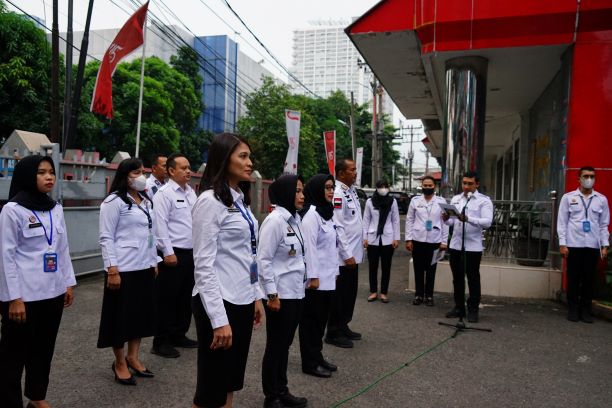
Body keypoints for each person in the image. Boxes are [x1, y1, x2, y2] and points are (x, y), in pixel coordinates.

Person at [191, 133, 265, 408]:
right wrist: (218, 319)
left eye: (249, 156)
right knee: (211, 386)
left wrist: (255, 295)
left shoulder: (240, 200)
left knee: (231, 380)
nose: (250, 163)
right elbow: (204, 265)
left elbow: (248, 255)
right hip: (218, 301)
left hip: (242, 298)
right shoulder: (210, 201)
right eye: (243, 156)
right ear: (224, 159)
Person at [0, 155, 76, 408]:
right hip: (23, 296)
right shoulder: (13, 210)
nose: (49, 177)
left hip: (52, 292)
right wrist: (14, 298)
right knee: (14, 355)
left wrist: (67, 282)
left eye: (51, 172)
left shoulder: (55, 208)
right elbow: (6, 256)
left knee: (43, 350)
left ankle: (36, 397)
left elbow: (62, 248)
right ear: (27, 175)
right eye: (42, 172)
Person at [98, 158, 158, 386]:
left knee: (140, 315)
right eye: (137, 172)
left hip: (144, 267)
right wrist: (112, 269)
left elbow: (152, 234)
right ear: (125, 175)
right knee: (120, 318)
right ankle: (120, 361)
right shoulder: (114, 202)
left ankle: (133, 356)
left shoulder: (145, 200)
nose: (142, 176)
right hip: (122, 269)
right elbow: (106, 237)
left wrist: (154, 261)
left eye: (143, 171)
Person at [259, 174, 308, 408]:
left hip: (296, 292)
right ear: (286, 192)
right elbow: (263, 260)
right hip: (280, 296)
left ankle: (282, 389)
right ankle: (271, 396)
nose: (302, 195)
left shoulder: (294, 219)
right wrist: (271, 294)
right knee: (275, 345)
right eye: (298, 191)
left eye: (302, 191)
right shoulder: (275, 220)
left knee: (285, 345)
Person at [151, 153, 198, 358]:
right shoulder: (164, 194)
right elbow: (160, 225)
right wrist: (168, 252)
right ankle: (161, 341)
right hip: (173, 254)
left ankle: (179, 334)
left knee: (186, 297)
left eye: (189, 167)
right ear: (171, 171)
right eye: (183, 168)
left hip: (191, 253)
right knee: (167, 299)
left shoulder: (191, 193)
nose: (188, 171)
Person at [299, 174, 339, 379]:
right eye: (327, 188)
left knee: (321, 322)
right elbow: (309, 249)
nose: (331, 191)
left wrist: (336, 272)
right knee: (311, 324)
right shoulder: (311, 215)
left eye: (333, 187)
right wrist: (313, 277)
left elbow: (332, 247)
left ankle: (318, 356)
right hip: (315, 282)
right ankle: (309, 362)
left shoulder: (327, 213)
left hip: (328, 278)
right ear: (317, 190)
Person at [557, 166, 609, 323]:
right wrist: (562, 244)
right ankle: (572, 309)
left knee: (589, 279)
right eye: (586, 176)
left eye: (592, 176)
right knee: (573, 278)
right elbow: (562, 223)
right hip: (574, 244)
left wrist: (604, 245)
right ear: (578, 178)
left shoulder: (601, 199)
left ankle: (586, 311)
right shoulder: (568, 198)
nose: (589, 179)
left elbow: (603, 225)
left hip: (592, 245)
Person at [443, 171, 493, 323]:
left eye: (470, 183)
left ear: (477, 184)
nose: (466, 186)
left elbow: (487, 222)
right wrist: (446, 219)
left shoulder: (484, 201)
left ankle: (473, 309)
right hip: (456, 245)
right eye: (464, 183)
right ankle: (459, 307)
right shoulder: (457, 199)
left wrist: (469, 219)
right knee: (457, 278)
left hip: (472, 246)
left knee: (472, 278)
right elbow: (453, 222)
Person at [325, 159, 363, 348]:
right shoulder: (338, 193)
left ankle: (343, 325)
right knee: (340, 297)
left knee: (350, 295)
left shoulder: (350, 190)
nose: (355, 173)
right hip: (343, 257)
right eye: (352, 170)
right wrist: (347, 254)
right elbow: (338, 225)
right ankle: (333, 332)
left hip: (354, 254)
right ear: (340, 173)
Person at [405, 176, 449, 306]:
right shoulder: (415, 201)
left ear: (434, 186)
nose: (427, 187)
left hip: (435, 240)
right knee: (418, 268)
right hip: (418, 239)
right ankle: (418, 295)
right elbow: (409, 220)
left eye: (430, 185)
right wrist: (408, 239)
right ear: (422, 186)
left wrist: (444, 241)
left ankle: (429, 296)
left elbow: (445, 223)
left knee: (431, 269)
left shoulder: (441, 202)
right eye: (425, 185)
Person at [362, 179, 400, 303]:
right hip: (372, 238)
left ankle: (384, 292)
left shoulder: (392, 201)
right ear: (376, 188)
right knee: (372, 267)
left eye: (385, 186)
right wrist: (365, 238)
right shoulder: (369, 202)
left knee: (386, 267)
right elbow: (366, 220)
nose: (383, 189)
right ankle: (373, 292)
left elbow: (395, 220)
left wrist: (396, 238)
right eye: (381, 186)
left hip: (388, 239)